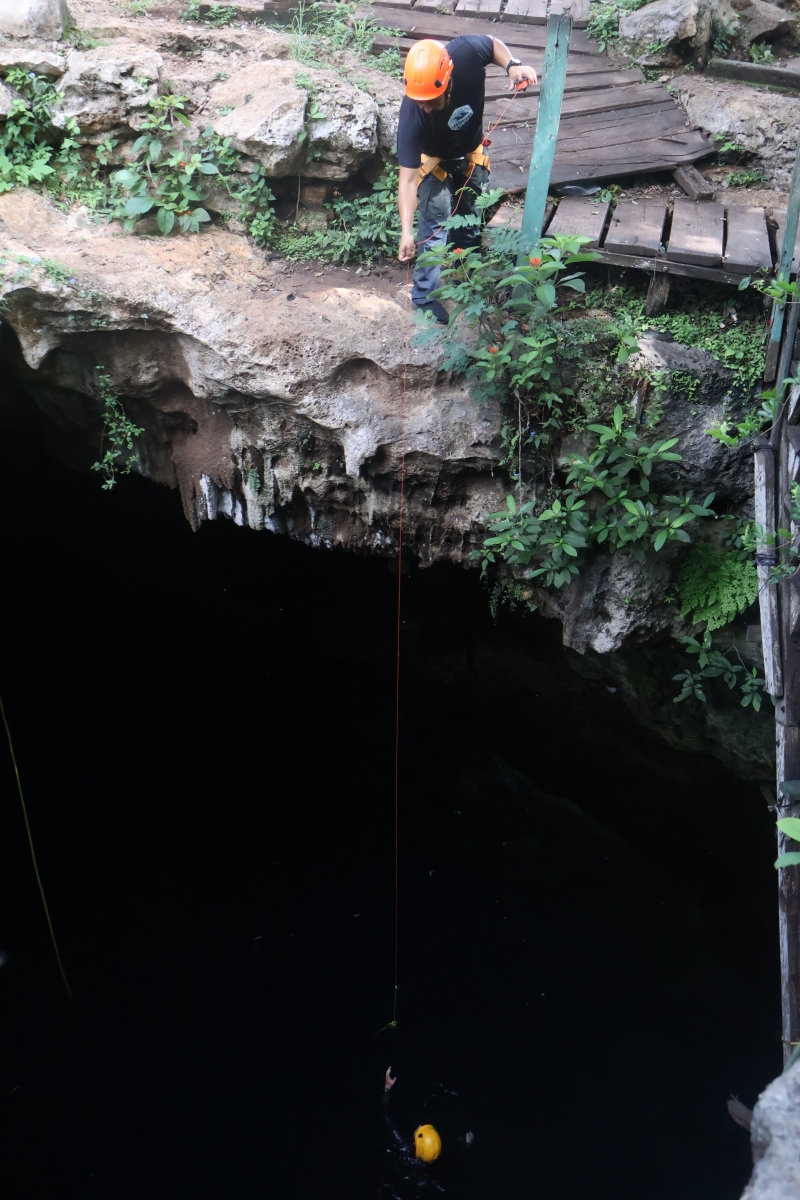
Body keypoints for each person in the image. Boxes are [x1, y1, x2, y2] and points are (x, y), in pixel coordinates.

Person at [396, 36, 538, 324]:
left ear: (447, 82)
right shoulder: (412, 113)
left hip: (471, 151)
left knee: (470, 219)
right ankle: (425, 295)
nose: (423, 107)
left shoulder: (466, 53)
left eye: (429, 101)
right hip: (434, 162)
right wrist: (406, 232)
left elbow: (493, 43)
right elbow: (408, 181)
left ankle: (466, 278)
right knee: (434, 227)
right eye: (419, 101)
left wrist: (512, 64)